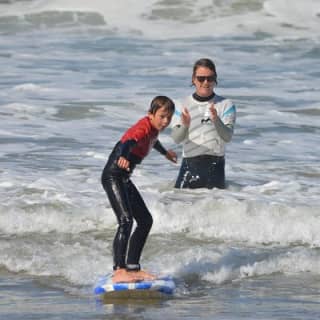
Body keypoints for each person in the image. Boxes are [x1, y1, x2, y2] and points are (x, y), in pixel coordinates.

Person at [101, 96, 177, 283]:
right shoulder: (142, 127)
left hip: (123, 178)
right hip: (113, 175)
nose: (165, 121)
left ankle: (133, 267)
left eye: (169, 117)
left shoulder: (153, 129)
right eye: (162, 116)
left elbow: (152, 140)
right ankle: (119, 270)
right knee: (126, 220)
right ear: (150, 114)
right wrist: (124, 156)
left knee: (145, 220)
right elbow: (129, 141)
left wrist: (165, 153)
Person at [171, 58, 236, 189]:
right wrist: (185, 125)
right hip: (188, 167)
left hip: (215, 169)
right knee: (178, 205)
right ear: (193, 79)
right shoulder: (181, 104)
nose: (206, 82)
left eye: (210, 78)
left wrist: (216, 119)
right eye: (201, 78)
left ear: (215, 79)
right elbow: (177, 139)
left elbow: (227, 137)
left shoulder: (225, 105)